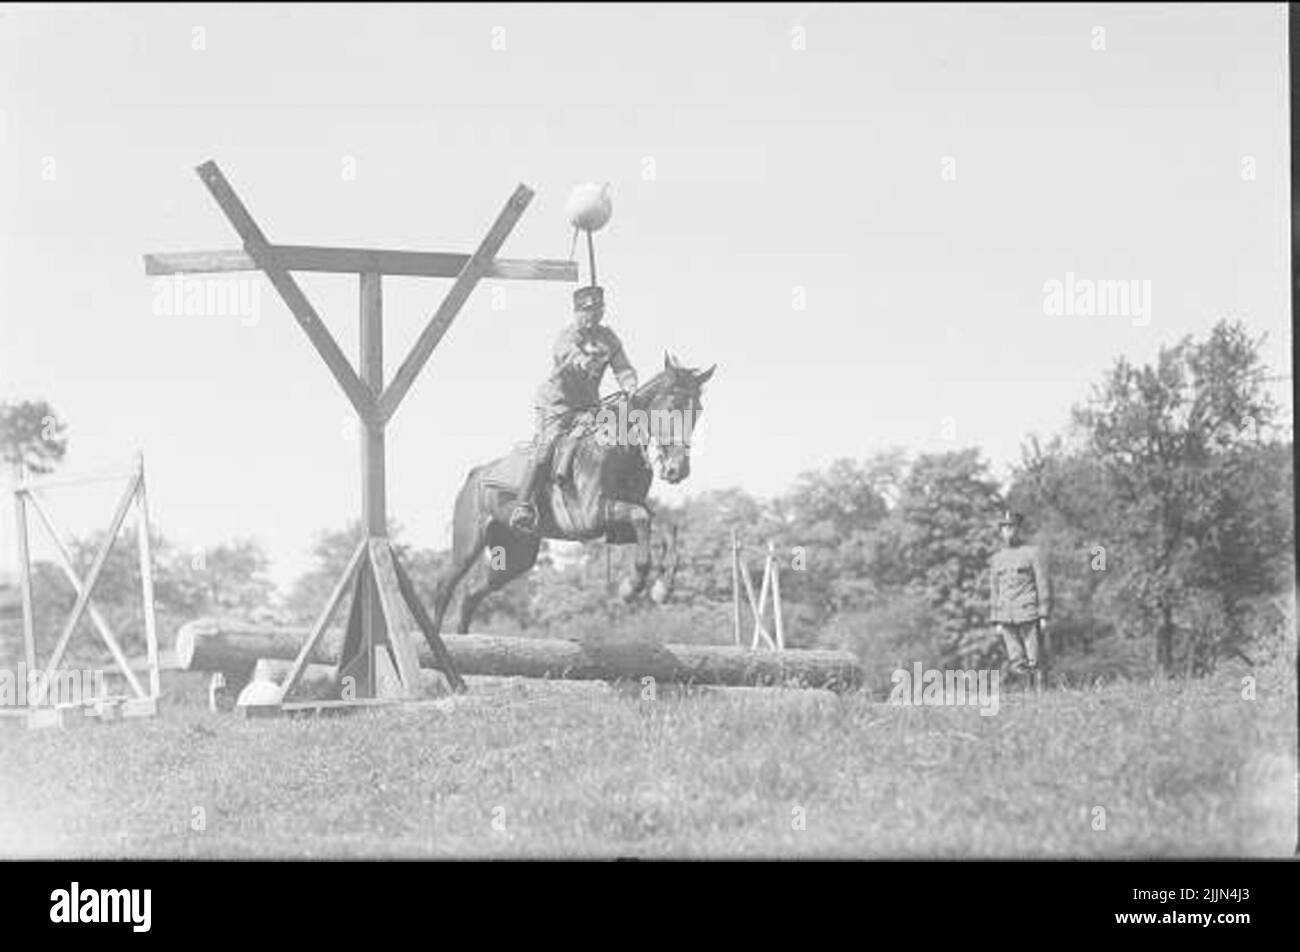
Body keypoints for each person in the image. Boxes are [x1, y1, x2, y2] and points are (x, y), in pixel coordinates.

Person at [508, 285, 638, 532]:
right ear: (577, 311)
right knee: (546, 448)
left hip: (588, 406)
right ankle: (523, 505)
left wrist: (629, 384)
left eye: (598, 309)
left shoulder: (609, 339)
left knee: (613, 439)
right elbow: (567, 358)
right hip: (556, 406)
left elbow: (622, 367)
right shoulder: (567, 336)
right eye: (588, 311)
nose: (594, 315)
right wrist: (583, 360)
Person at [989, 509, 1051, 688]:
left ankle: (1041, 695)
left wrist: (1044, 614)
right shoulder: (996, 559)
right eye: (1005, 528)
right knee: (1016, 660)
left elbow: (1042, 583)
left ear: (1019, 529)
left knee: (1035, 658)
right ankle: (1027, 695)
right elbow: (994, 590)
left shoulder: (1032, 553)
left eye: (1012, 527)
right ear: (1001, 531)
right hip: (1005, 615)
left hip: (1028, 613)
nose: (1009, 531)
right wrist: (996, 620)